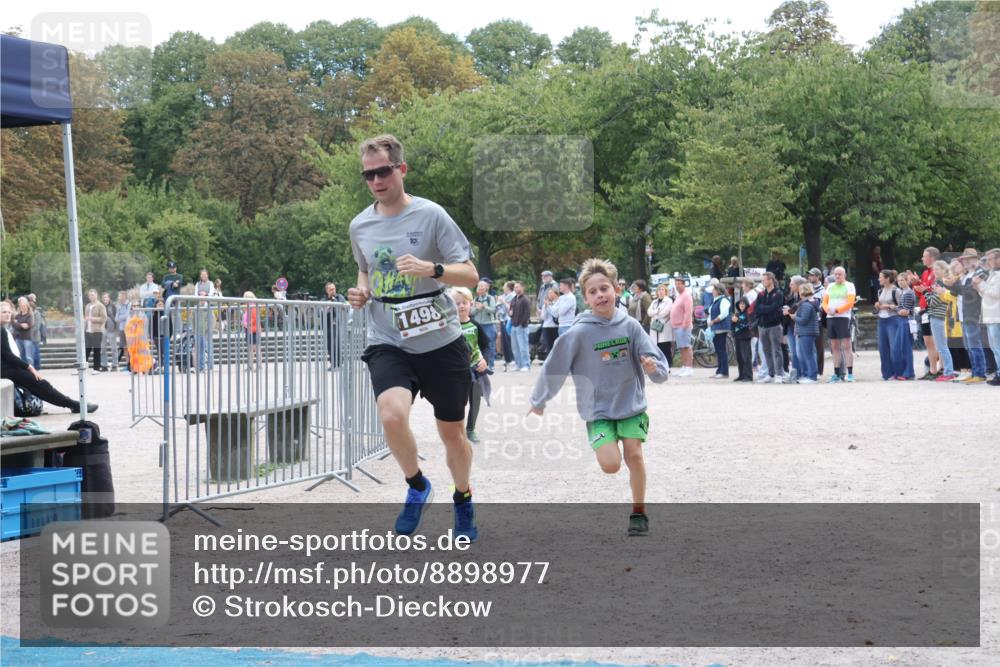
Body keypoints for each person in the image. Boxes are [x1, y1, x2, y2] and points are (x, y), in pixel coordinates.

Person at [346, 134, 480, 541]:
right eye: (368, 175)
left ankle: (462, 497)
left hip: (440, 340)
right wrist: (361, 291)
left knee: (453, 435)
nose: (376, 181)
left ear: (401, 169)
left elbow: (470, 275)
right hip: (388, 337)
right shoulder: (359, 225)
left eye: (383, 172)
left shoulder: (431, 215)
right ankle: (417, 485)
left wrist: (432, 269)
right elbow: (365, 269)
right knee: (391, 414)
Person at [528, 258, 669, 536]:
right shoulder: (579, 332)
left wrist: (654, 369)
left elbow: (657, 365)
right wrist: (539, 400)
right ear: (586, 298)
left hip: (631, 406)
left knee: (634, 455)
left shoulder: (630, 326)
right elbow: (555, 365)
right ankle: (605, 446)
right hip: (598, 412)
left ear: (616, 289)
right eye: (593, 292)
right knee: (611, 465)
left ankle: (639, 512)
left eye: (604, 288)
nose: (600, 295)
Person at [2, 301, 98, 413]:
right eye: (4, 312)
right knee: (40, 384)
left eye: (9, 312)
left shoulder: (3, 329)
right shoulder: (1, 330)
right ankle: (74, 405)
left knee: (38, 385)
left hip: (7, 369)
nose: (7, 314)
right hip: (7, 370)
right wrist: (29, 367)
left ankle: (73, 404)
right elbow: (8, 355)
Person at [452, 287, 489, 443]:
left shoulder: (475, 326)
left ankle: (471, 429)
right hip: (456, 371)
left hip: (475, 369)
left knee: (475, 400)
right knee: (458, 402)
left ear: (470, 304)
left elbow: (486, 346)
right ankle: (457, 430)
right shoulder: (449, 327)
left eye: (464, 303)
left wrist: (485, 360)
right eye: (457, 303)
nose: (461, 306)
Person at [946, 250, 987, 384]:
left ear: (975, 259)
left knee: (975, 345)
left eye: (968, 259)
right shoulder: (965, 276)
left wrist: (955, 284)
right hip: (963, 315)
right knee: (968, 346)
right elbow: (954, 292)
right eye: (964, 260)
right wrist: (953, 281)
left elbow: (969, 292)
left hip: (972, 314)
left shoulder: (978, 273)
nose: (965, 262)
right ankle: (975, 372)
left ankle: (980, 373)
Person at [822, 266, 856, 382]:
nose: (837, 276)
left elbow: (850, 302)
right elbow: (824, 302)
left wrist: (837, 310)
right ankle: (836, 374)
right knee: (834, 346)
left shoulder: (849, 285)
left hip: (843, 317)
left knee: (846, 346)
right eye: (835, 274)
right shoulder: (830, 286)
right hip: (831, 318)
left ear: (844, 275)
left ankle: (850, 373)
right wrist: (827, 310)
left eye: (840, 274)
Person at [912, 247, 941, 379]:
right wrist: (916, 284)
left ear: (932, 258)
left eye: (924, 256)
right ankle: (933, 370)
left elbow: (935, 290)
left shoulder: (937, 272)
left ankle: (942, 368)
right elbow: (921, 294)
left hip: (933, 309)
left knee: (937, 341)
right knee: (928, 341)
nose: (922, 258)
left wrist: (923, 287)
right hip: (924, 309)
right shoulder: (925, 273)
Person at [927, 261, 958, 382]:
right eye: (934, 269)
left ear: (944, 270)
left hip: (939, 316)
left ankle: (949, 371)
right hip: (936, 316)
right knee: (941, 346)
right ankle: (948, 371)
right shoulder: (939, 283)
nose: (935, 272)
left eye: (937, 269)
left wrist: (926, 293)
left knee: (942, 346)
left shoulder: (943, 283)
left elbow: (933, 301)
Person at [754, 272, 786, 383]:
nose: (762, 282)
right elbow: (757, 309)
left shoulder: (778, 293)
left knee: (776, 350)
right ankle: (771, 374)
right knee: (766, 351)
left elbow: (775, 308)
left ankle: (779, 374)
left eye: (764, 280)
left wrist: (764, 308)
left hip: (774, 326)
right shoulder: (761, 294)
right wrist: (767, 308)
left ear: (771, 280)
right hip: (762, 326)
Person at [977, 249, 1000, 386]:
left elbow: (996, 292)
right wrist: (979, 287)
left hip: (997, 316)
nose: (988, 262)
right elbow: (987, 294)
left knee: (997, 347)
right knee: (994, 347)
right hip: (991, 316)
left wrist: (981, 284)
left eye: (990, 259)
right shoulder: (992, 274)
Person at [875, 270, 903, 381]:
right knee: (883, 348)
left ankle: (897, 373)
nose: (879, 279)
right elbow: (880, 304)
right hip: (882, 320)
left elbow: (902, 307)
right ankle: (886, 374)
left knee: (894, 348)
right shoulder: (880, 290)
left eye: (880, 277)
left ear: (887, 278)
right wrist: (877, 305)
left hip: (893, 319)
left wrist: (889, 306)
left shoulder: (896, 291)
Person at [794, 283, 820, 383]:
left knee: (808, 356)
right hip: (809, 332)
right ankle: (810, 375)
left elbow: (803, 320)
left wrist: (794, 317)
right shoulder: (812, 303)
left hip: (806, 332)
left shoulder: (806, 304)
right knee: (810, 355)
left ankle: (812, 376)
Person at [705, 281, 731, 379]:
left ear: (718, 291)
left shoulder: (723, 300)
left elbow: (724, 314)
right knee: (719, 350)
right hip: (715, 328)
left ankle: (724, 371)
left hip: (721, 328)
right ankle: (720, 370)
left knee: (721, 350)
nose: (712, 291)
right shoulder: (716, 300)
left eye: (714, 290)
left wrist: (713, 321)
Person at [894, 272, 916, 380]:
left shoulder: (908, 293)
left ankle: (909, 373)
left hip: (906, 321)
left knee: (906, 348)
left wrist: (895, 309)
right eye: (898, 280)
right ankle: (901, 371)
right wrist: (897, 309)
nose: (900, 282)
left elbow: (905, 311)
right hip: (901, 321)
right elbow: (900, 309)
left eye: (902, 280)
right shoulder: (903, 292)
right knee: (898, 347)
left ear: (907, 281)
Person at [471, 280, 497, 371]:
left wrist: (484, 307)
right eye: (479, 286)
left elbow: (493, 310)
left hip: (488, 325)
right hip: (478, 325)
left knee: (490, 345)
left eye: (482, 286)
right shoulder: (476, 299)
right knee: (478, 345)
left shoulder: (490, 298)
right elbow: (471, 312)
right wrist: (477, 309)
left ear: (487, 288)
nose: (481, 288)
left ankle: (491, 364)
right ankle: (480, 364)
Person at [670, 275, 694, 376]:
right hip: (677, 326)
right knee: (681, 348)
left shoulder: (686, 295)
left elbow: (688, 311)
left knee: (686, 347)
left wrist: (685, 324)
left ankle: (689, 368)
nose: (677, 286)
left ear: (684, 285)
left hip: (683, 326)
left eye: (679, 284)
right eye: (676, 284)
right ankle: (684, 366)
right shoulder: (679, 296)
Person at [647, 283, 673, 366]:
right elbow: (649, 312)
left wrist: (655, 313)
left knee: (665, 348)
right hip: (655, 328)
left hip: (664, 327)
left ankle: (668, 366)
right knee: (657, 347)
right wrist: (656, 311)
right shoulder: (654, 301)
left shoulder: (668, 301)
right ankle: (660, 365)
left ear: (665, 291)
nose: (661, 291)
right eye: (659, 290)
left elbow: (664, 313)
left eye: (662, 290)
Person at [807, 268, 827, 377]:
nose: (810, 277)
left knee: (818, 346)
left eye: (812, 275)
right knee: (809, 346)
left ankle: (819, 370)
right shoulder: (807, 288)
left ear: (818, 277)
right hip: (808, 320)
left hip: (818, 320)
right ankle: (810, 369)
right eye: (809, 275)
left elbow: (823, 306)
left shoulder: (823, 291)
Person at [324, 282, 346, 368]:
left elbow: (343, 307)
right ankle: (333, 363)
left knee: (336, 343)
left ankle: (339, 362)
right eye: (331, 289)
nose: (333, 291)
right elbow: (319, 312)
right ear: (327, 290)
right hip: (327, 325)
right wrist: (326, 308)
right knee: (329, 344)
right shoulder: (324, 299)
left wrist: (334, 301)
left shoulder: (339, 297)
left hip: (337, 324)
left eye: (334, 289)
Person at [510, 281, 531, 372]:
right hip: (513, 326)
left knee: (523, 347)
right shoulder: (514, 299)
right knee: (515, 348)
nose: (516, 289)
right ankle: (518, 364)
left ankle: (526, 364)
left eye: (517, 287)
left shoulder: (525, 299)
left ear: (522, 288)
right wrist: (510, 314)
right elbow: (511, 310)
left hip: (521, 326)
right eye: (515, 287)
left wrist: (522, 323)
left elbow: (527, 313)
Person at [731, 296, 753, 381]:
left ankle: (749, 376)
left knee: (746, 356)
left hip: (745, 337)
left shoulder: (748, 314)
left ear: (746, 304)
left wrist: (737, 321)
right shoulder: (737, 314)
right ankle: (741, 375)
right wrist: (733, 321)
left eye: (743, 303)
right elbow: (733, 326)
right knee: (739, 357)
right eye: (740, 303)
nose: (742, 305)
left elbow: (747, 324)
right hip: (737, 337)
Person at [84, 289, 107, 373]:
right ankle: (82, 367)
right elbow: (86, 317)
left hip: (97, 331)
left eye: (92, 295)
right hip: (88, 330)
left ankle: (96, 368)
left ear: (96, 295)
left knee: (96, 350)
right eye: (90, 295)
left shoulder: (100, 305)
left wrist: (92, 318)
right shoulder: (87, 306)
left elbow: (104, 318)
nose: (91, 297)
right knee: (86, 350)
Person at [497, 281, 515, 371]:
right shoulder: (502, 296)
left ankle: (512, 358)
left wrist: (503, 302)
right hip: (502, 319)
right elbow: (498, 307)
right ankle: (507, 358)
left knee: (509, 339)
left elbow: (510, 308)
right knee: (504, 340)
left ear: (508, 287)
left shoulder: (513, 296)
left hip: (509, 320)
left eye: (504, 286)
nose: (503, 288)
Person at [13, 297, 35, 365]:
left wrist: (18, 324)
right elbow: (14, 325)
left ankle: (31, 369)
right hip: (18, 338)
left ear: (27, 306)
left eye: (24, 306)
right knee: (18, 355)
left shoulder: (30, 315)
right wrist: (21, 325)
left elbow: (28, 326)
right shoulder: (17, 316)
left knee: (28, 356)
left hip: (27, 338)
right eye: (21, 306)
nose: (22, 307)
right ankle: (20, 369)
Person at [241, 291, 260, 369]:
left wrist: (247, 324)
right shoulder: (249, 307)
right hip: (249, 330)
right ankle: (251, 365)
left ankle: (257, 365)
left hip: (253, 330)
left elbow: (254, 319)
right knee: (251, 349)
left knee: (255, 349)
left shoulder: (253, 307)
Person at [539, 287, 560, 356]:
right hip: (546, 326)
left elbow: (555, 314)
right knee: (548, 346)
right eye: (548, 293)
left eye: (551, 293)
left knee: (556, 346)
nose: (549, 294)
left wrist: (548, 306)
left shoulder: (558, 303)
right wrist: (545, 307)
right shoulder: (546, 304)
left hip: (555, 326)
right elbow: (543, 317)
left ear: (556, 294)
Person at [114, 291, 131, 371]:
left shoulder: (129, 304)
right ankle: (128, 365)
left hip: (129, 329)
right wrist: (121, 317)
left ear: (124, 297)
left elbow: (127, 315)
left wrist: (121, 317)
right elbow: (116, 318)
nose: (119, 298)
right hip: (121, 328)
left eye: (120, 296)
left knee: (130, 347)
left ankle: (132, 364)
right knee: (125, 348)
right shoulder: (119, 306)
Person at [27, 294, 45, 369]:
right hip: (28, 337)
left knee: (35, 353)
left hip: (35, 337)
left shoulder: (37, 314)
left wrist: (29, 332)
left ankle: (37, 367)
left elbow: (37, 326)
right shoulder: (29, 314)